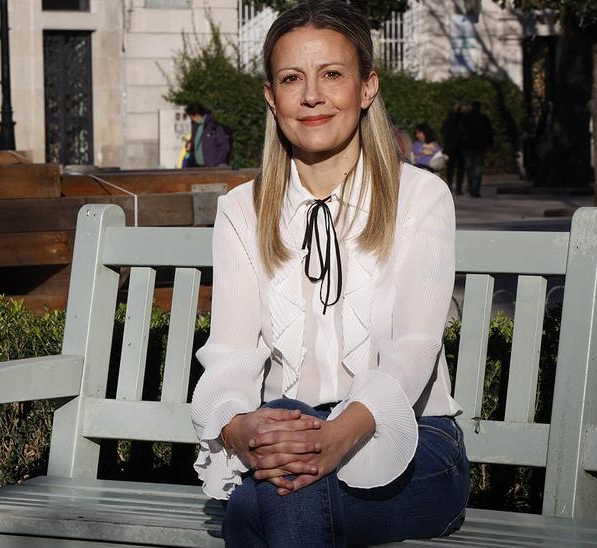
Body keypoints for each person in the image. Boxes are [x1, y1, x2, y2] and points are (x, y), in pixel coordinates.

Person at [188, 1, 469, 546]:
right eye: (292, 78)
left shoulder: (420, 197)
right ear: (272, 97)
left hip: (412, 439)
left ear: (367, 87)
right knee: (284, 482)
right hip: (288, 436)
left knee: (264, 501)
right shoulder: (242, 211)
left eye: (332, 74)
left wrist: (338, 435)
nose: (312, 95)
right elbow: (229, 356)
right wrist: (236, 427)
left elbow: (413, 350)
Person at [184, 102, 232, 167]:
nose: (191, 119)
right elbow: (195, 142)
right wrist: (189, 145)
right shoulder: (195, 126)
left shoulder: (213, 126)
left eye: (190, 116)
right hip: (197, 167)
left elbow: (224, 146)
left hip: (211, 167)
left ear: (196, 115)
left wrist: (215, 162)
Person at [461, 101, 492, 198]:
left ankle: (472, 187)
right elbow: (489, 132)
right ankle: (475, 188)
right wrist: (490, 144)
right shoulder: (483, 118)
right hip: (479, 146)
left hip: (469, 146)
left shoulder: (467, 118)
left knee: (470, 168)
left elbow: (461, 132)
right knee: (477, 168)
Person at [440, 102, 466, 193]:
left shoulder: (448, 120)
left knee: (450, 168)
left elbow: (443, 132)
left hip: (450, 147)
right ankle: (458, 188)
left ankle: (450, 184)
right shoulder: (463, 120)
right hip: (460, 147)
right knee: (460, 168)